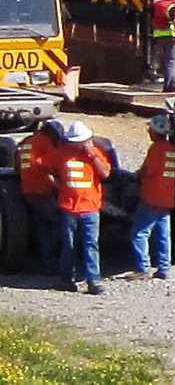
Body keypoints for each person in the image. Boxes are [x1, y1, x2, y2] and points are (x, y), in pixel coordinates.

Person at [50, 120, 112, 294]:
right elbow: (45, 167)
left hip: (90, 207)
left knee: (91, 244)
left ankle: (94, 281)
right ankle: (66, 279)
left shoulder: (95, 154)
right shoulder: (61, 153)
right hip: (69, 207)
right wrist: (57, 186)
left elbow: (106, 173)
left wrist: (91, 155)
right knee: (68, 244)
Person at [129, 116, 175, 281]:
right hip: (166, 198)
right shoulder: (172, 149)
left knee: (139, 233)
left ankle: (142, 268)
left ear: (155, 132)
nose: (149, 132)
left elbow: (148, 171)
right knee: (163, 234)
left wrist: (136, 176)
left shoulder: (156, 149)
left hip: (152, 198)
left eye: (150, 129)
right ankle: (164, 268)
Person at [16, 119, 62, 276]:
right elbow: (54, 166)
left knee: (42, 226)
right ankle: (52, 263)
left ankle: (45, 260)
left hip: (27, 190)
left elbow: (17, 166)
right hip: (42, 191)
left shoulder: (26, 142)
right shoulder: (46, 142)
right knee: (57, 223)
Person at [148, 0, 175, 93]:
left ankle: (161, 78)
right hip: (171, 36)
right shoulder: (171, 7)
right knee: (171, 60)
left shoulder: (155, 6)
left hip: (158, 35)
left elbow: (152, 19)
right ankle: (170, 85)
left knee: (163, 59)